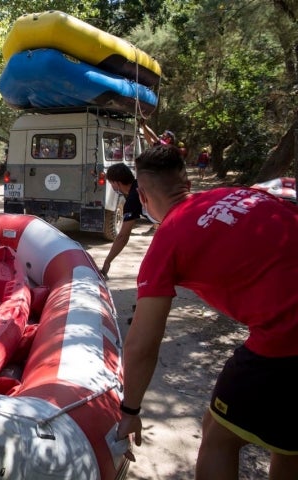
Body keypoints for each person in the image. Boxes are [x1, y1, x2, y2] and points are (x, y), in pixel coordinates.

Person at [116, 144, 298, 478]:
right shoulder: (240, 193)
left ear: (142, 196)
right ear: (185, 181)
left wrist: (130, 410)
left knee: (217, 434)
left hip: (287, 338)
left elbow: (142, 343)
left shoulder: (168, 240)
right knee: (288, 440)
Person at [99, 163, 143, 278]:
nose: (112, 187)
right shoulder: (139, 185)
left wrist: (107, 261)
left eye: (111, 183)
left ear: (117, 183)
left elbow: (123, 237)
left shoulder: (133, 198)